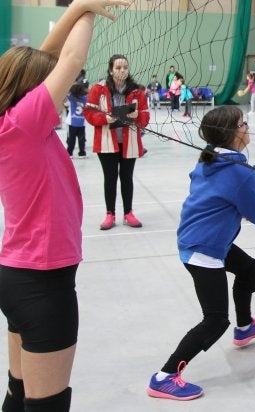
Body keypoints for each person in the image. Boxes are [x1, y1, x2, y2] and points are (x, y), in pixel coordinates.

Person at [0, 1, 128, 411]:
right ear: (28, 91)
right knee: (46, 405)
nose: (51, 90)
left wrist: (74, 9)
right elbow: (70, 58)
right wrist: (89, 6)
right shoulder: (24, 124)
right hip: (42, 282)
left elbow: (48, 57)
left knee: (18, 393)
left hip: (18, 275)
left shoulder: (12, 121)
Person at [147, 106, 255, 401]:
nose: (247, 127)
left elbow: (216, 187)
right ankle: (165, 376)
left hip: (204, 239)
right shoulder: (238, 172)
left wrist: (248, 189)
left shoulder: (212, 157)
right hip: (203, 250)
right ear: (233, 133)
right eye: (243, 123)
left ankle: (245, 327)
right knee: (216, 320)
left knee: (247, 267)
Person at [84, 54, 150, 230]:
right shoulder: (99, 89)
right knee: (110, 178)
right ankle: (110, 214)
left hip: (130, 142)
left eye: (125, 67)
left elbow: (145, 117)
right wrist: (104, 118)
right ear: (111, 69)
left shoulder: (137, 91)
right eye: (118, 67)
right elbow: (88, 113)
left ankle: (128, 213)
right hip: (106, 142)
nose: (122, 70)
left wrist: (138, 115)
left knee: (127, 178)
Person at [65, 83, 88, 158]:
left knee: (71, 139)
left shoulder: (70, 98)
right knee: (81, 139)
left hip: (72, 122)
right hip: (81, 122)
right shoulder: (85, 98)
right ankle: (82, 153)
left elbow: (65, 103)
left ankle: (69, 153)